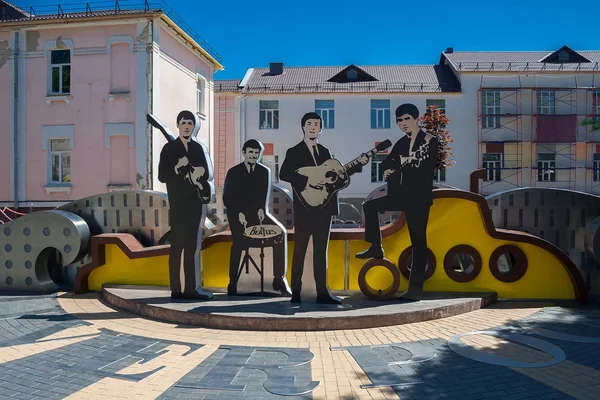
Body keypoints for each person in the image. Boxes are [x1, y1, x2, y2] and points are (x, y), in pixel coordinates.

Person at [280, 112, 368, 304]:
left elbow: (335, 179)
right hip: (304, 208)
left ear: (321, 129)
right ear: (303, 127)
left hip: (324, 208)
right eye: (309, 123)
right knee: (300, 250)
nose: (313, 127)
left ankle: (322, 293)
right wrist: (308, 179)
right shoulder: (294, 152)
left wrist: (357, 166)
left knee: (321, 251)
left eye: (317, 124)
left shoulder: (326, 152)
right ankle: (296, 292)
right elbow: (284, 173)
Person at [356, 103, 438, 301]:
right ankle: (376, 246)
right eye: (399, 120)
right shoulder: (401, 143)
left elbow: (423, 167)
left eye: (407, 119)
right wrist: (387, 169)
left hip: (418, 198)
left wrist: (400, 165)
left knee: (418, 243)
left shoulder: (429, 140)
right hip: (400, 194)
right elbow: (388, 161)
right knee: (370, 206)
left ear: (416, 118)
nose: (403, 123)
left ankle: (415, 289)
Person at [223, 139, 291, 296]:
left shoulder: (264, 171)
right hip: (237, 215)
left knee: (280, 234)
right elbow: (228, 197)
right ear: (244, 152)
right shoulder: (234, 172)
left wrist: (261, 210)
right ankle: (233, 283)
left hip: (258, 214)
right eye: (251, 152)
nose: (253, 155)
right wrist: (239, 212)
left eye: (256, 153)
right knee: (239, 243)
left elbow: (262, 195)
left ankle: (278, 280)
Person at [158, 110, 214, 300]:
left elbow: (206, 174)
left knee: (192, 247)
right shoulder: (169, 149)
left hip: (196, 203)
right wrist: (178, 167)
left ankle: (191, 288)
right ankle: (176, 288)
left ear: (194, 126)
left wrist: (197, 173)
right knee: (177, 247)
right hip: (178, 204)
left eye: (190, 123)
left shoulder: (198, 149)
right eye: (184, 123)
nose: (187, 126)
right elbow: (162, 176)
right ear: (178, 125)